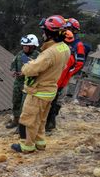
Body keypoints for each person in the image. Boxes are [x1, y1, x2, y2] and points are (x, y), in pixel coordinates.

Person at [11, 15, 71, 154]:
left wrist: (29, 63)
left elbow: (29, 70)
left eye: (44, 31)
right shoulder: (64, 48)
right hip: (50, 91)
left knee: (28, 119)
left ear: (51, 33)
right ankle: (40, 143)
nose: (43, 34)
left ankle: (27, 146)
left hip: (38, 91)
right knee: (41, 119)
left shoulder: (49, 53)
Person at [45, 18, 87, 131]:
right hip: (56, 75)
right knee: (50, 99)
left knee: (57, 100)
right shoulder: (62, 40)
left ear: (74, 29)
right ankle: (47, 121)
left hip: (64, 77)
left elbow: (79, 64)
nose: (65, 29)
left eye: (68, 28)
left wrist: (67, 73)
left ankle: (51, 122)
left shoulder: (78, 45)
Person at [6, 34, 40, 129]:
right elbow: (14, 64)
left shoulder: (38, 57)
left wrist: (25, 73)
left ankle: (22, 126)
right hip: (18, 83)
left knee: (24, 105)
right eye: (23, 46)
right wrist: (13, 71)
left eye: (26, 46)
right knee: (16, 101)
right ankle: (16, 120)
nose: (24, 47)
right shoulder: (20, 54)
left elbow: (38, 71)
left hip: (29, 84)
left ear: (32, 46)